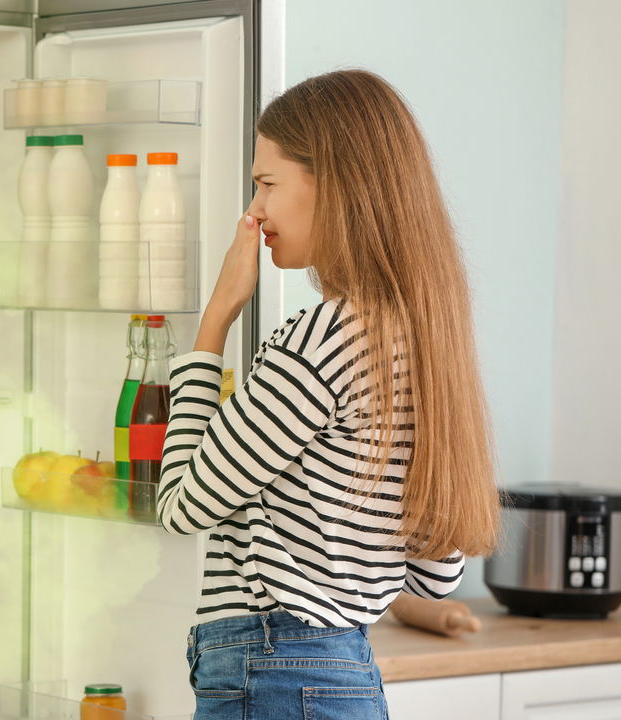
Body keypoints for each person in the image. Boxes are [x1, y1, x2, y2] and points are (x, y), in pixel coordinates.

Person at [157, 69, 501, 719]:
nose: (254, 211)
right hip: (342, 675)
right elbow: (431, 575)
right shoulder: (423, 338)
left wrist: (213, 325)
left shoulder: (321, 342)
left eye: (266, 184)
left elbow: (181, 503)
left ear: (332, 184)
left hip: (274, 672)